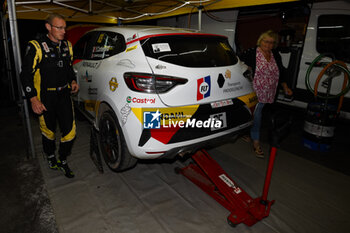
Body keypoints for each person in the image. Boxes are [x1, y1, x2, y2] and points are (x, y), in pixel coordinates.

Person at [20, 13, 79, 178]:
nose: (63, 31)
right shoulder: (36, 46)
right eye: (59, 27)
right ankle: (51, 156)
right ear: (48, 27)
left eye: (64, 27)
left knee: (70, 132)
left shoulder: (67, 45)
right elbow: (25, 74)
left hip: (64, 95)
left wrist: (73, 81)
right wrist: (33, 99)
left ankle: (63, 158)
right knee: (48, 132)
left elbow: (68, 68)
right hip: (45, 98)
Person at [239, 30, 293, 158]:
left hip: (269, 91)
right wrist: (247, 69)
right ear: (260, 40)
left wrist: (285, 87)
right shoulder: (252, 52)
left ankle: (245, 132)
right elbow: (239, 64)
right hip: (254, 89)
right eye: (266, 41)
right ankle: (256, 143)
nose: (268, 45)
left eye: (271, 42)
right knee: (257, 115)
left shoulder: (275, 54)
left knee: (255, 113)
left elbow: (281, 71)